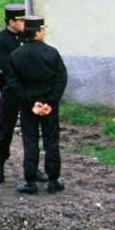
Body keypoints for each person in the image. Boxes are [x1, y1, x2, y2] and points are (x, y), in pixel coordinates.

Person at [6, 15, 68, 195]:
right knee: (51, 141)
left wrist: (31, 103)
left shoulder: (16, 55)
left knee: (30, 141)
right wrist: (50, 102)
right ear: (38, 32)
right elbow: (61, 78)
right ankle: (53, 180)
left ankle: (30, 182)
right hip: (50, 106)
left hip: (28, 106)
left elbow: (13, 82)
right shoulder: (52, 53)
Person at [0, 4, 27, 185]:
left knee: (31, 129)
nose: (23, 23)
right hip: (10, 90)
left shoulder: (26, 37)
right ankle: (0, 168)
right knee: (5, 130)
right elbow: (4, 67)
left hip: (28, 91)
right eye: (20, 20)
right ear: (11, 22)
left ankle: (32, 168)